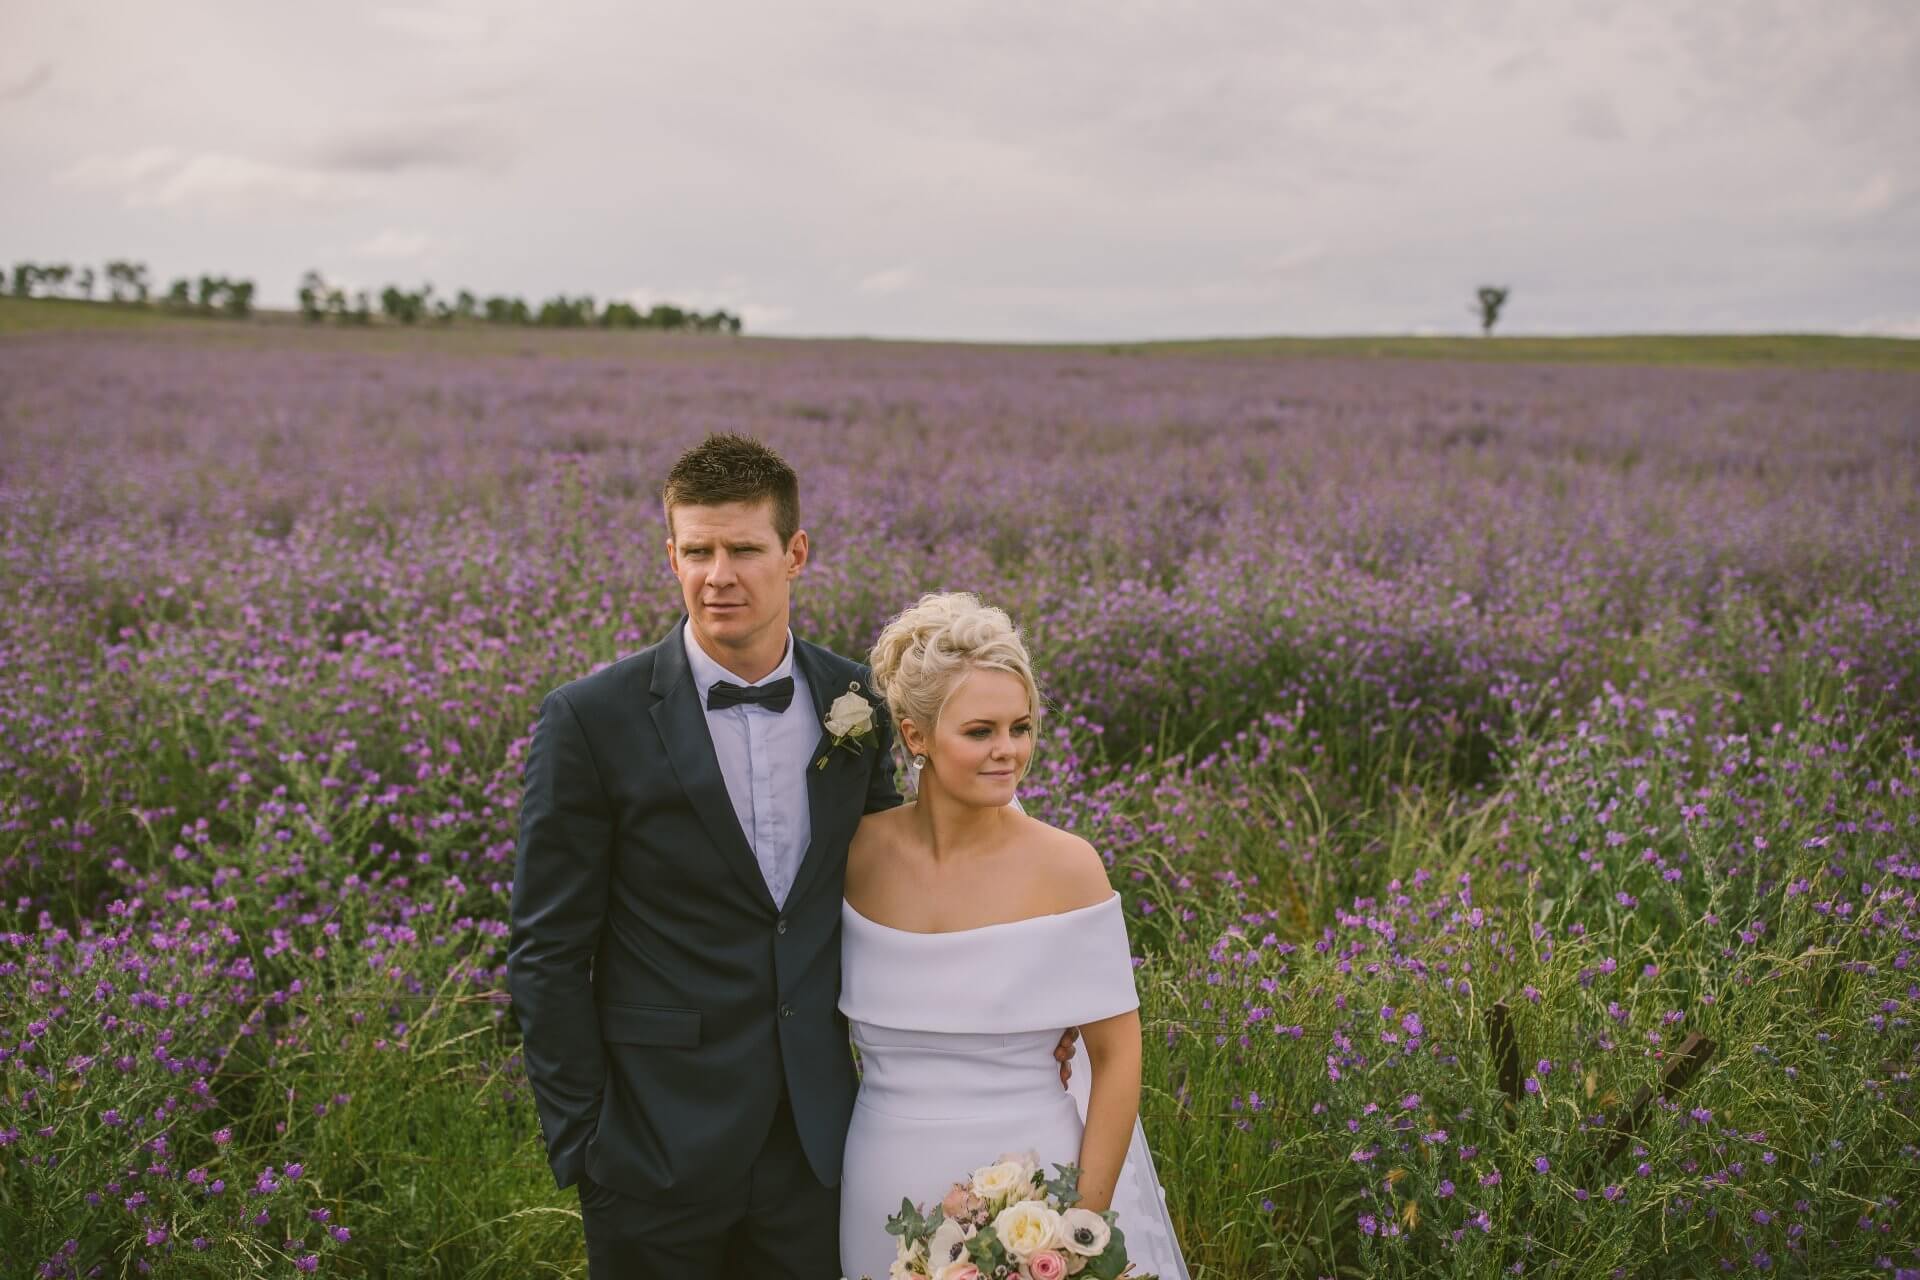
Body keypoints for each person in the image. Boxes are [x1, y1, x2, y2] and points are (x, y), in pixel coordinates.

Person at [506, 435, 1075, 1279]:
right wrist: (586, 1142)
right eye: (695, 551)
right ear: (671, 555)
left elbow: (909, 875)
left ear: (795, 553)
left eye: (743, 549)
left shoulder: (854, 701)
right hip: (652, 1155)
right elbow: (546, 952)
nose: (717, 575)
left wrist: (1021, 1011)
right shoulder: (591, 720)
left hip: (819, 1151)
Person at [839, 592, 1190, 1280]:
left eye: (1021, 727)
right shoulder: (853, 856)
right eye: (980, 732)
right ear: (915, 736)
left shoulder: (1068, 867)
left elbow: (1116, 1057)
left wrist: (1075, 1232)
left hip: (1037, 1189)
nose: (1009, 751)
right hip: (880, 1182)